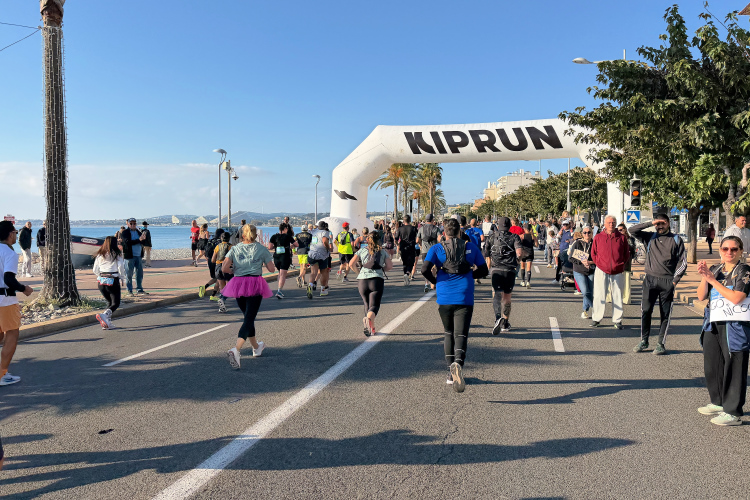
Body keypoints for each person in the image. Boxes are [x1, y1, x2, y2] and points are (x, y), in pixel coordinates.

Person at [422, 218, 488, 392]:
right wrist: (469, 275)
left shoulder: (437, 249)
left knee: (448, 332)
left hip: (444, 295)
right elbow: (484, 270)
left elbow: (424, 269)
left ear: (444, 233)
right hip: (464, 294)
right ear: (460, 231)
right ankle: (458, 364)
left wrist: (435, 280)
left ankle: (450, 372)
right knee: (461, 334)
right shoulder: (470, 247)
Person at [696, 235, 750, 425]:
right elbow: (701, 295)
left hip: (735, 325)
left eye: (734, 249)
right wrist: (705, 278)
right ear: (720, 250)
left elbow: (737, 297)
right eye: (725, 249)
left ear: (740, 251)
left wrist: (713, 281)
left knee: (734, 365)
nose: (729, 252)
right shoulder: (715, 269)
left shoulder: (744, 270)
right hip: (713, 322)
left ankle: (733, 412)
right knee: (713, 364)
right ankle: (718, 402)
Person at [630, 213, 687, 355]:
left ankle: (660, 343)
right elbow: (632, 230)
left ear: (668, 223)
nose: (660, 226)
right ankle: (644, 340)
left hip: (667, 281)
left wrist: (675, 280)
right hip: (650, 279)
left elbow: (683, 262)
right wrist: (651, 222)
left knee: (665, 314)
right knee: (646, 310)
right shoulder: (650, 237)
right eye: (658, 224)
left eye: (663, 223)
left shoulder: (676, 239)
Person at [222, 224, 275, 369]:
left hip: (238, 283)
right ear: (255, 235)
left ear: (242, 235)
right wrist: (261, 262)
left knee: (248, 317)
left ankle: (256, 347)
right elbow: (271, 269)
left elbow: (224, 268)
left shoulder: (235, 248)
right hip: (255, 283)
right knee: (249, 318)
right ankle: (236, 349)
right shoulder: (261, 248)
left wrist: (235, 270)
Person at [0, 221, 33, 386]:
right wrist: (23, 288)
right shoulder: (10, 253)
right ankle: (2, 374)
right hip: (5, 300)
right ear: (10, 234)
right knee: (11, 334)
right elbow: (8, 278)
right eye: (15, 232)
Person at [590, 215, 630, 329]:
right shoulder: (598, 237)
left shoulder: (621, 238)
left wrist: (620, 264)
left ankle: (617, 320)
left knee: (617, 295)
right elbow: (593, 253)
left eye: (613, 222)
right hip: (601, 269)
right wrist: (599, 263)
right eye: (609, 222)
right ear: (605, 224)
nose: (611, 224)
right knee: (599, 295)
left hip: (617, 270)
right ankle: (596, 318)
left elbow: (626, 253)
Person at [350, 230, 393, 336]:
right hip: (376, 279)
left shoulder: (362, 250)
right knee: (374, 305)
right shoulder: (383, 251)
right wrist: (382, 269)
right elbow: (389, 266)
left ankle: (371, 328)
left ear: (368, 239)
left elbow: (351, 264)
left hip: (362, 280)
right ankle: (368, 320)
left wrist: (359, 272)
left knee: (366, 304)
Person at [484, 217, 522, 334]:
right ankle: (505, 322)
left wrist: (488, 265)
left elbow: (486, 253)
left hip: (496, 269)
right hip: (509, 270)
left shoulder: (491, 237)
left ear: (498, 225)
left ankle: (497, 318)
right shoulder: (514, 237)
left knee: (496, 293)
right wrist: (517, 262)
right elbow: (519, 253)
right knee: (507, 297)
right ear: (509, 225)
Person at [93, 236, 126, 330]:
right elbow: (121, 267)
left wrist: (101, 275)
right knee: (116, 303)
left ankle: (107, 322)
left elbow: (95, 270)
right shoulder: (117, 255)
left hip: (101, 281)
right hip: (112, 280)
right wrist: (122, 277)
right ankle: (104, 316)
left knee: (110, 302)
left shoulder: (100, 255)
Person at [569, 226, 596, 319]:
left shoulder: (595, 244)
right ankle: (595, 308)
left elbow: (599, 258)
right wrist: (581, 261)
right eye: (585, 232)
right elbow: (570, 258)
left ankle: (585, 310)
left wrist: (590, 262)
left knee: (590, 292)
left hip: (591, 270)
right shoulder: (577, 243)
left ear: (592, 233)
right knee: (585, 291)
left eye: (589, 232)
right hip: (579, 270)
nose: (587, 234)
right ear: (582, 234)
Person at [120, 218, 147, 296]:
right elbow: (127, 242)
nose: (133, 225)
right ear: (128, 224)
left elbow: (142, 242)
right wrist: (139, 240)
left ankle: (139, 289)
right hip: (129, 256)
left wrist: (144, 239)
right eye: (131, 223)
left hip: (138, 255)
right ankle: (129, 290)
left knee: (139, 274)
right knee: (129, 274)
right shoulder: (125, 232)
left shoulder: (139, 232)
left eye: (134, 223)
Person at [269, 223, 297, 299]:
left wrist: (276, 246)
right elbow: (296, 244)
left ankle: (279, 289)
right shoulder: (288, 236)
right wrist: (291, 246)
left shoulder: (274, 236)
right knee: (282, 275)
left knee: (280, 273)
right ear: (285, 229)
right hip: (285, 257)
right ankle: (279, 291)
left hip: (276, 257)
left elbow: (270, 247)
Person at [307, 221, 332, 298]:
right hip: (322, 255)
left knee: (313, 272)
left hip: (312, 253)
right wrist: (328, 248)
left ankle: (310, 285)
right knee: (323, 272)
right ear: (325, 227)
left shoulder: (314, 231)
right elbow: (324, 241)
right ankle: (323, 290)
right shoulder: (325, 232)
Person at [198, 228, 224, 303]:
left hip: (210, 261)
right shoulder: (219, 242)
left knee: (216, 278)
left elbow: (206, 251)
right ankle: (211, 294)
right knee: (219, 278)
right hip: (217, 261)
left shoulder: (211, 240)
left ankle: (207, 290)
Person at [417, 214, 440, 292]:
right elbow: (439, 238)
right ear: (432, 220)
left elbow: (417, 240)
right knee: (433, 267)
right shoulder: (436, 229)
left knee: (426, 268)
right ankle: (433, 283)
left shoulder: (421, 229)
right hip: (434, 251)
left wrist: (421, 244)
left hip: (424, 251)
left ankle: (426, 284)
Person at [212, 231, 233, 313]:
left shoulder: (217, 246)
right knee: (229, 286)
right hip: (227, 266)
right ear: (229, 238)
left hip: (218, 267)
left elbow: (213, 260)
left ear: (221, 238)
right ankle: (222, 299)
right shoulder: (231, 246)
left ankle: (222, 306)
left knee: (222, 287)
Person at [396, 215, 418, 285]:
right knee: (411, 262)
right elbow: (417, 237)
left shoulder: (400, 229)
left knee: (404, 263)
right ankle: (407, 273)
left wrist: (397, 244)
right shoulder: (413, 228)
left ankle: (405, 275)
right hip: (411, 247)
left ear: (403, 221)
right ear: (410, 220)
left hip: (403, 247)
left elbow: (396, 238)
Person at [519, 223, 537, 287]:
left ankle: (523, 281)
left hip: (523, 253)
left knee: (522, 267)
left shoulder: (522, 236)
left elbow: (519, 244)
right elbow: (536, 245)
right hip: (530, 252)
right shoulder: (533, 236)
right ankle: (528, 282)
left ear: (525, 229)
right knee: (529, 268)